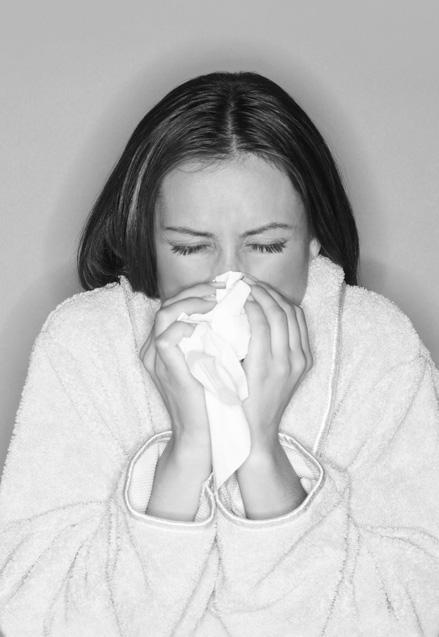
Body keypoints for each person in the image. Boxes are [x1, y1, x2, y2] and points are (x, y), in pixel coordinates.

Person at [0, 71, 438, 636]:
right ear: (145, 237)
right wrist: (187, 450)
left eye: (267, 245)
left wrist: (260, 451)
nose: (231, 278)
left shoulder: (378, 348)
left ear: (314, 238)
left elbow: (415, 616)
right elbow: (32, 617)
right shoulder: (84, 345)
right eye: (190, 247)